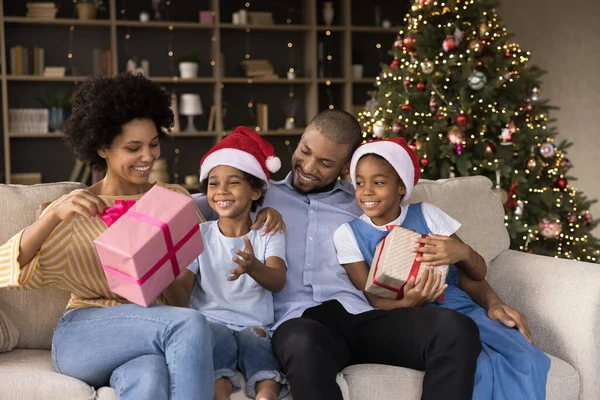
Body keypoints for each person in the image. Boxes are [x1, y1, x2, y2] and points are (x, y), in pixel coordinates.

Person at [195, 110, 485, 400]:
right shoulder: (258, 194)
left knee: (454, 328)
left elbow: (444, 247)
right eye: (305, 151)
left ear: (346, 166)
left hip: (361, 315)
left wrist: (494, 302)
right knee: (300, 341)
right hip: (297, 322)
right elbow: (197, 205)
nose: (308, 167)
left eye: (325, 163)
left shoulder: (364, 200)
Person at [0, 73, 215, 400]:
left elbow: (181, 299)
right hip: (84, 333)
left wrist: (157, 259)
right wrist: (51, 217)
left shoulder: (175, 202)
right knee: (190, 325)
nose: (148, 157)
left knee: (150, 378)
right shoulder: (75, 209)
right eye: (133, 147)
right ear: (102, 147)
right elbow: (6, 269)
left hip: (148, 331)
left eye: (153, 143)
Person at [333, 138, 551, 399]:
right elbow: (373, 300)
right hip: (409, 317)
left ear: (401, 186)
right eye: (359, 182)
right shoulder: (349, 234)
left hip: (459, 305)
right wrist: (410, 302)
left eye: (378, 182)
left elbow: (477, 274)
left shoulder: (426, 214)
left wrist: (463, 252)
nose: (366, 191)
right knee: (476, 367)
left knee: (527, 358)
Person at [169, 127, 289, 400]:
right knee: (215, 340)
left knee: (256, 343)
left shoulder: (269, 232)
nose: (221, 191)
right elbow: (180, 296)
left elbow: (278, 281)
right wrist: (166, 272)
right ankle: (219, 392)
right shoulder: (199, 234)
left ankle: (266, 395)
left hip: (254, 323)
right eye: (213, 183)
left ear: (256, 191)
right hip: (209, 322)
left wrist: (253, 266)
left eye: (233, 182)